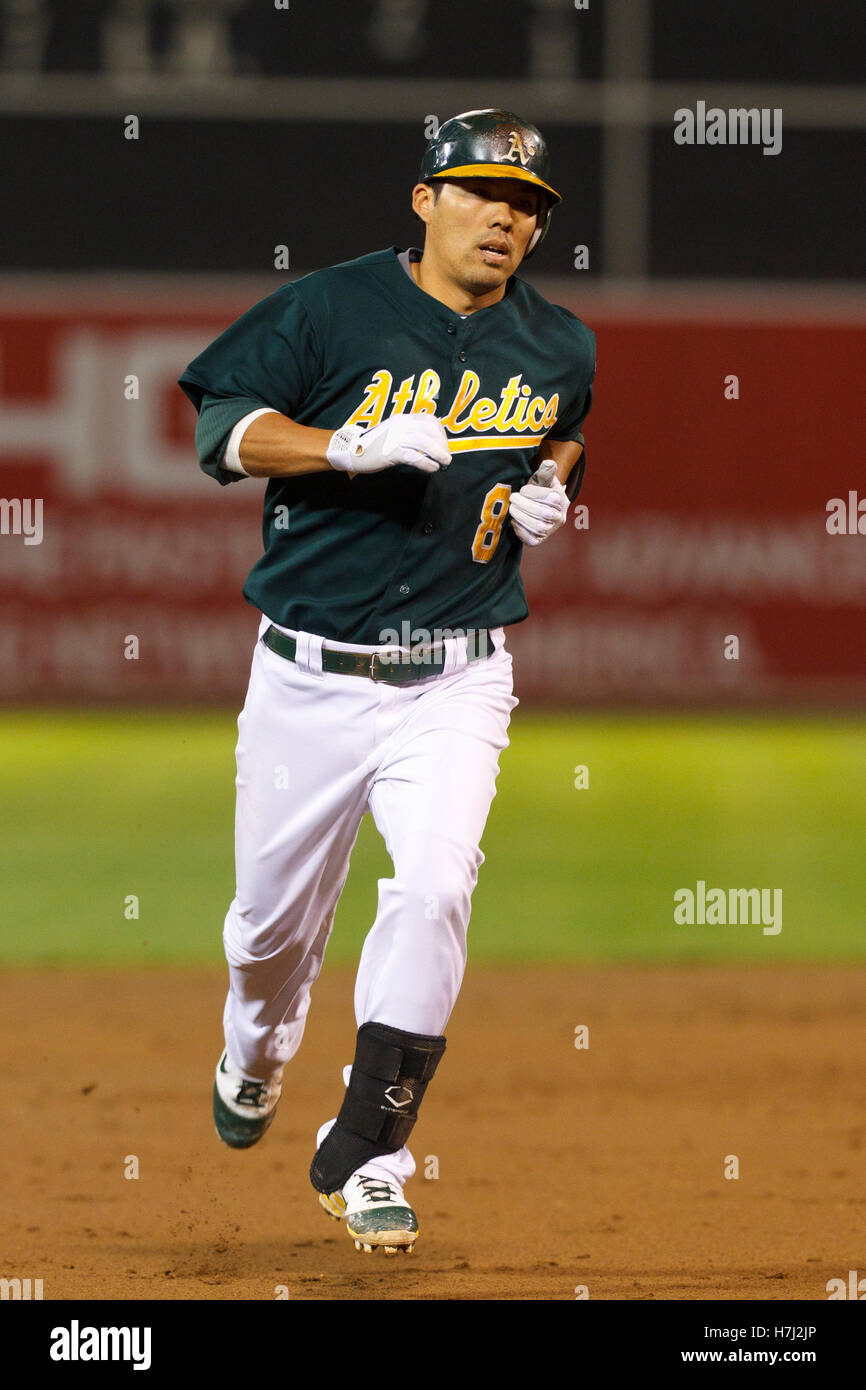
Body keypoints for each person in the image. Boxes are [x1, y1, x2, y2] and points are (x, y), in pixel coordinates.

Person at [178, 109, 595, 1256]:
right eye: (477, 193)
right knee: (266, 939)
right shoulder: (326, 308)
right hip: (307, 676)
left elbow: (560, 431)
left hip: (456, 675)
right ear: (423, 199)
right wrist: (339, 447)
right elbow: (220, 431)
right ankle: (254, 1058)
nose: (504, 217)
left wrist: (553, 488)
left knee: (433, 888)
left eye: (525, 205)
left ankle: (370, 1148)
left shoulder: (558, 344)